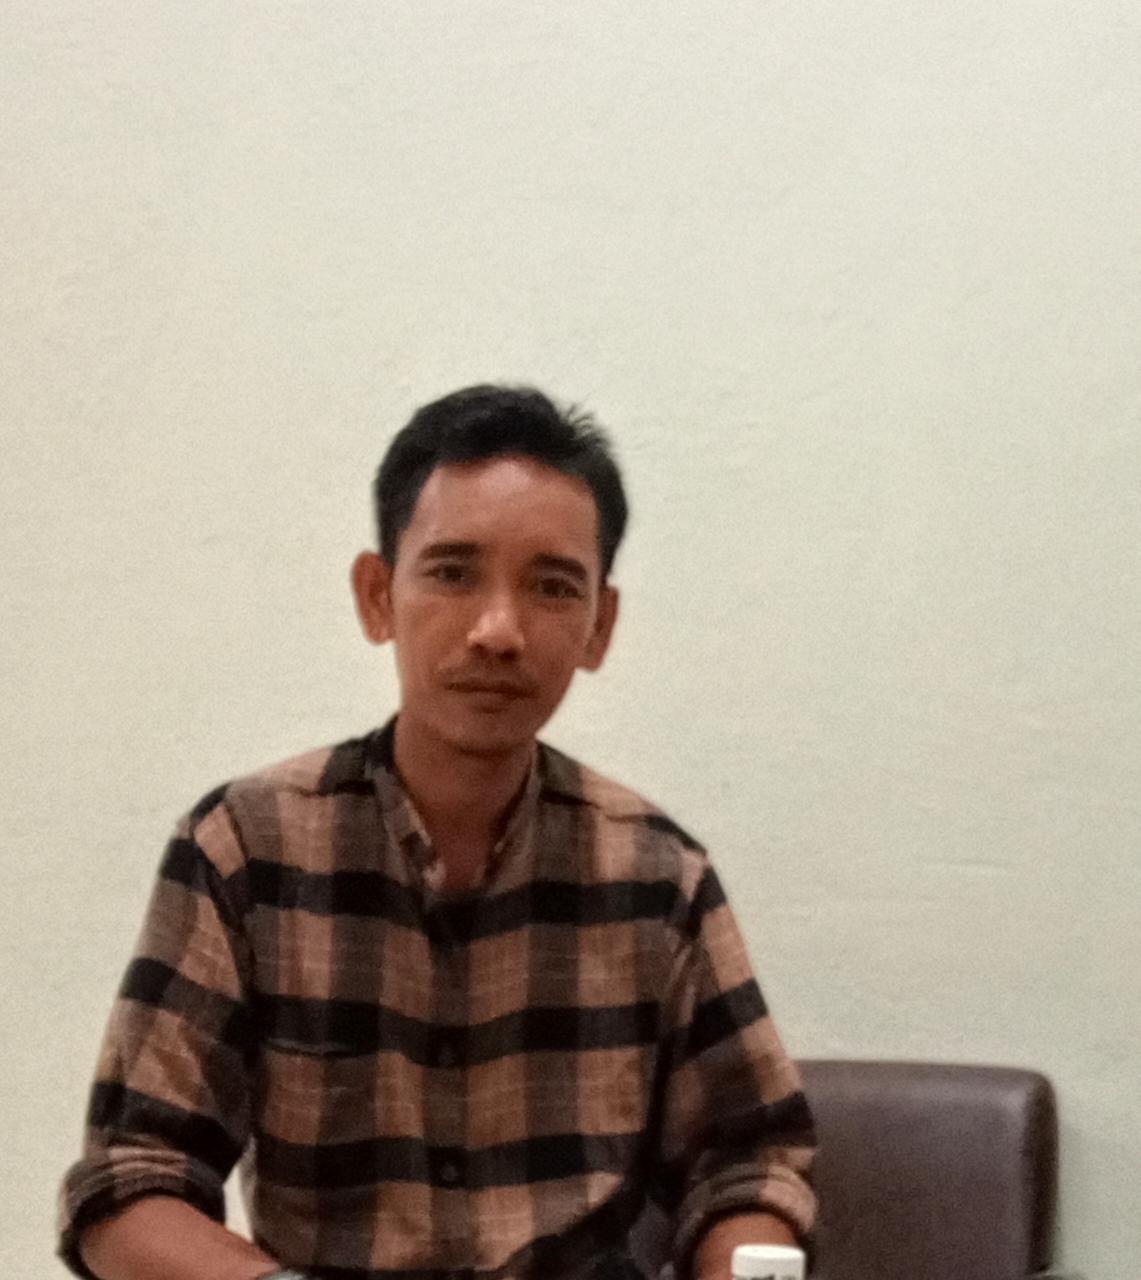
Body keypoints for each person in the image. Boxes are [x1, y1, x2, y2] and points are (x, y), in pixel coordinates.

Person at [59, 385, 816, 1280]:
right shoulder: (246, 849)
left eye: (552, 586)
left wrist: (745, 1260)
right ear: (377, 596)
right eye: (453, 573)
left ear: (598, 627)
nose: (498, 631)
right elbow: (129, 1182)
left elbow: (750, 1163)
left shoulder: (657, 874)